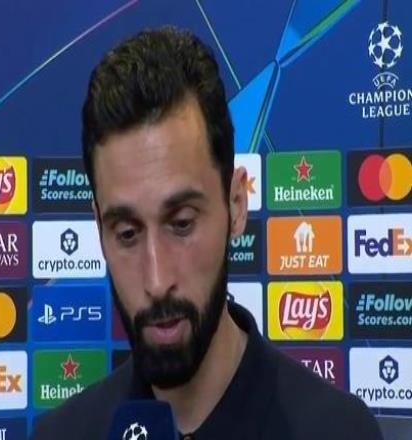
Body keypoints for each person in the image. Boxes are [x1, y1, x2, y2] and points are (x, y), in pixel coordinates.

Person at [31, 26, 383, 440]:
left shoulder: (339, 431)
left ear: (236, 205)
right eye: (127, 233)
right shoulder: (63, 434)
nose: (157, 280)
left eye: (181, 224)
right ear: (98, 228)